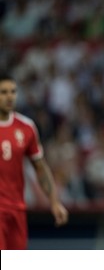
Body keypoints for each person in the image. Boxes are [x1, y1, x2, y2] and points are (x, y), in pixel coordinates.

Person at [0, 74, 68, 250]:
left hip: (17, 209)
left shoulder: (26, 127)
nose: (9, 97)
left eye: (13, 92)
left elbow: (40, 167)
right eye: (4, 92)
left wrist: (54, 201)